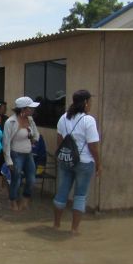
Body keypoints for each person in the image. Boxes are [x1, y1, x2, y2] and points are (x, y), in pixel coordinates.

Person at [53, 90, 101, 235]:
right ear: (86, 103)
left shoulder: (63, 118)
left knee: (61, 193)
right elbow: (93, 146)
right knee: (80, 196)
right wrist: (99, 164)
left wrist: (61, 157)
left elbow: (59, 141)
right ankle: (74, 229)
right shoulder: (88, 120)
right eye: (90, 102)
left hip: (65, 160)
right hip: (84, 162)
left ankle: (56, 225)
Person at [2, 96, 40, 211]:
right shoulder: (11, 122)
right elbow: (6, 142)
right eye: (30, 108)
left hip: (28, 154)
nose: (33, 110)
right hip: (15, 154)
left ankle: (25, 199)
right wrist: (8, 160)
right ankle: (13, 201)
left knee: (32, 179)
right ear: (23, 109)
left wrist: (33, 138)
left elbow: (36, 135)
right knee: (16, 179)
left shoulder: (30, 120)